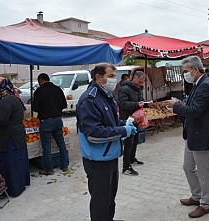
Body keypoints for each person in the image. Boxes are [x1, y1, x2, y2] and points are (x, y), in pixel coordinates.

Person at [76, 63, 137, 221]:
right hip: (97, 160)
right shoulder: (90, 100)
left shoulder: (106, 96)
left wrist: (124, 123)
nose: (114, 80)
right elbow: (94, 134)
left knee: (110, 197)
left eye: (114, 76)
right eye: (110, 76)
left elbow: (110, 123)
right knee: (100, 202)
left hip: (110, 156)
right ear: (98, 77)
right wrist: (123, 131)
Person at [165, 56, 209, 218]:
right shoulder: (197, 84)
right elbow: (193, 106)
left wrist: (176, 106)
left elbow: (195, 111)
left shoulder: (205, 85)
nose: (185, 74)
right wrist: (181, 104)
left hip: (202, 137)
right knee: (187, 167)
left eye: (186, 71)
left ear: (195, 69)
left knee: (203, 172)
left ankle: (205, 204)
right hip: (193, 135)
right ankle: (196, 196)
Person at [0, 77, 30, 197]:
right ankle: (21, 184)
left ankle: (14, 189)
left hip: (9, 138)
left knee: (10, 164)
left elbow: (1, 120)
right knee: (18, 162)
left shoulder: (6, 101)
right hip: (17, 136)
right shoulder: (14, 98)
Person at [33, 73, 69, 175]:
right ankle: (65, 165)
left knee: (46, 146)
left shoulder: (39, 91)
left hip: (45, 121)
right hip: (58, 119)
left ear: (41, 80)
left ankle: (49, 169)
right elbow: (64, 104)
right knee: (61, 143)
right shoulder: (58, 89)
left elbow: (35, 108)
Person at [118, 71, 151, 176]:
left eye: (142, 83)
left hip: (136, 118)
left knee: (135, 140)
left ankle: (132, 159)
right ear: (134, 78)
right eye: (139, 82)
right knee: (129, 143)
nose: (140, 84)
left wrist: (146, 104)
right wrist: (137, 104)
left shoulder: (138, 89)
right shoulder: (124, 89)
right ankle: (126, 167)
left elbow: (140, 102)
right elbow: (122, 104)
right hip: (127, 120)